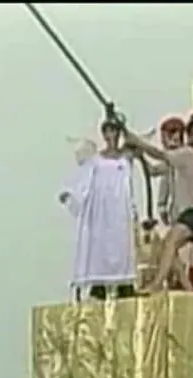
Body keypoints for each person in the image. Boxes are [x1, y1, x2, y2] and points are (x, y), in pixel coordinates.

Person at [125, 116, 193, 293]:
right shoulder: (175, 160)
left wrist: (138, 142)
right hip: (186, 212)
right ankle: (189, 289)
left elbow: (159, 154)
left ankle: (156, 284)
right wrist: (141, 157)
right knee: (169, 247)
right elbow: (153, 171)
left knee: (173, 244)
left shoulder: (187, 154)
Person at [58, 118, 137, 301]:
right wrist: (72, 196)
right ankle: (99, 284)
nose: (111, 135)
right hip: (101, 208)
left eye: (114, 131)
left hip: (120, 207)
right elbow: (84, 182)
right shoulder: (96, 161)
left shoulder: (125, 159)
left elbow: (129, 179)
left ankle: (124, 284)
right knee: (99, 243)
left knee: (121, 242)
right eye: (107, 131)